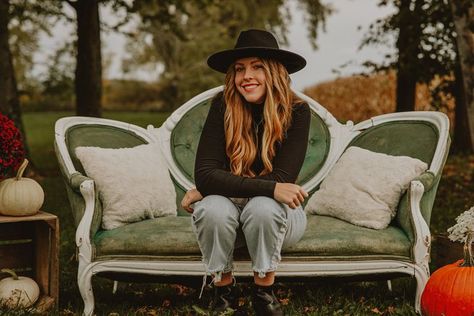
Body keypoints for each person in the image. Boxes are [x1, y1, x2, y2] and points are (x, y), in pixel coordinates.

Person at [181, 29, 310, 316]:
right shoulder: (223, 106)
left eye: (257, 67)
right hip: (227, 220)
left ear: (274, 72)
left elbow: (281, 182)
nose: (246, 76)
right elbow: (205, 173)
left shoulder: (298, 112)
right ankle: (222, 292)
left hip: (279, 217)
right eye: (239, 69)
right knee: (213, 207)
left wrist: (210, 186)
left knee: (263, 206)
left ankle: (264, 291)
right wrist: (209, 187)